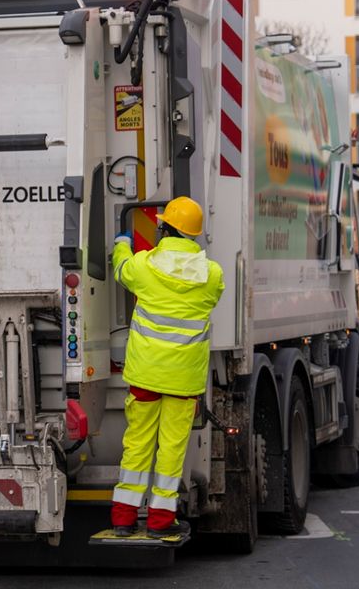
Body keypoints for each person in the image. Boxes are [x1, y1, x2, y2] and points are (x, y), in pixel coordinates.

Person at [109, 196, 224, 540]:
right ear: (193, 234)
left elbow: (121, 270)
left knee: (138, 444)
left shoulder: (145, 266)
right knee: (172, 449)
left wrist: (121, 245)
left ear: (164, 227)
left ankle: (123, 519)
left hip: (145, 374)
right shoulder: (212, 275)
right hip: (183, 380)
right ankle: (160, 521)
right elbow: (211, 297)